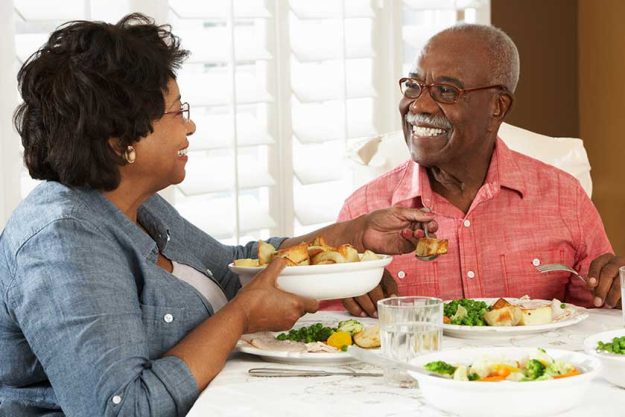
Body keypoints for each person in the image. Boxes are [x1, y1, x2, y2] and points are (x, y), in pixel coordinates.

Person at [0, 14, 437, 417]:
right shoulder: (62, 243)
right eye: (176, 112)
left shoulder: (134, 203)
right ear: (119, 142)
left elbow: (231, 271)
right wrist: (243, 316)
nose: (189, 127)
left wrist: (355, 233)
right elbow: (121, 409)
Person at [322, 23, 617, 317]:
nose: (419, 105)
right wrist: (349, 297)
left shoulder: (566, 199)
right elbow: (326, 336)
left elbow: (599, 313)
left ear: (497, 106)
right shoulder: (362, 214)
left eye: (446, 91)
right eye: (413, 86)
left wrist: (615, 288)